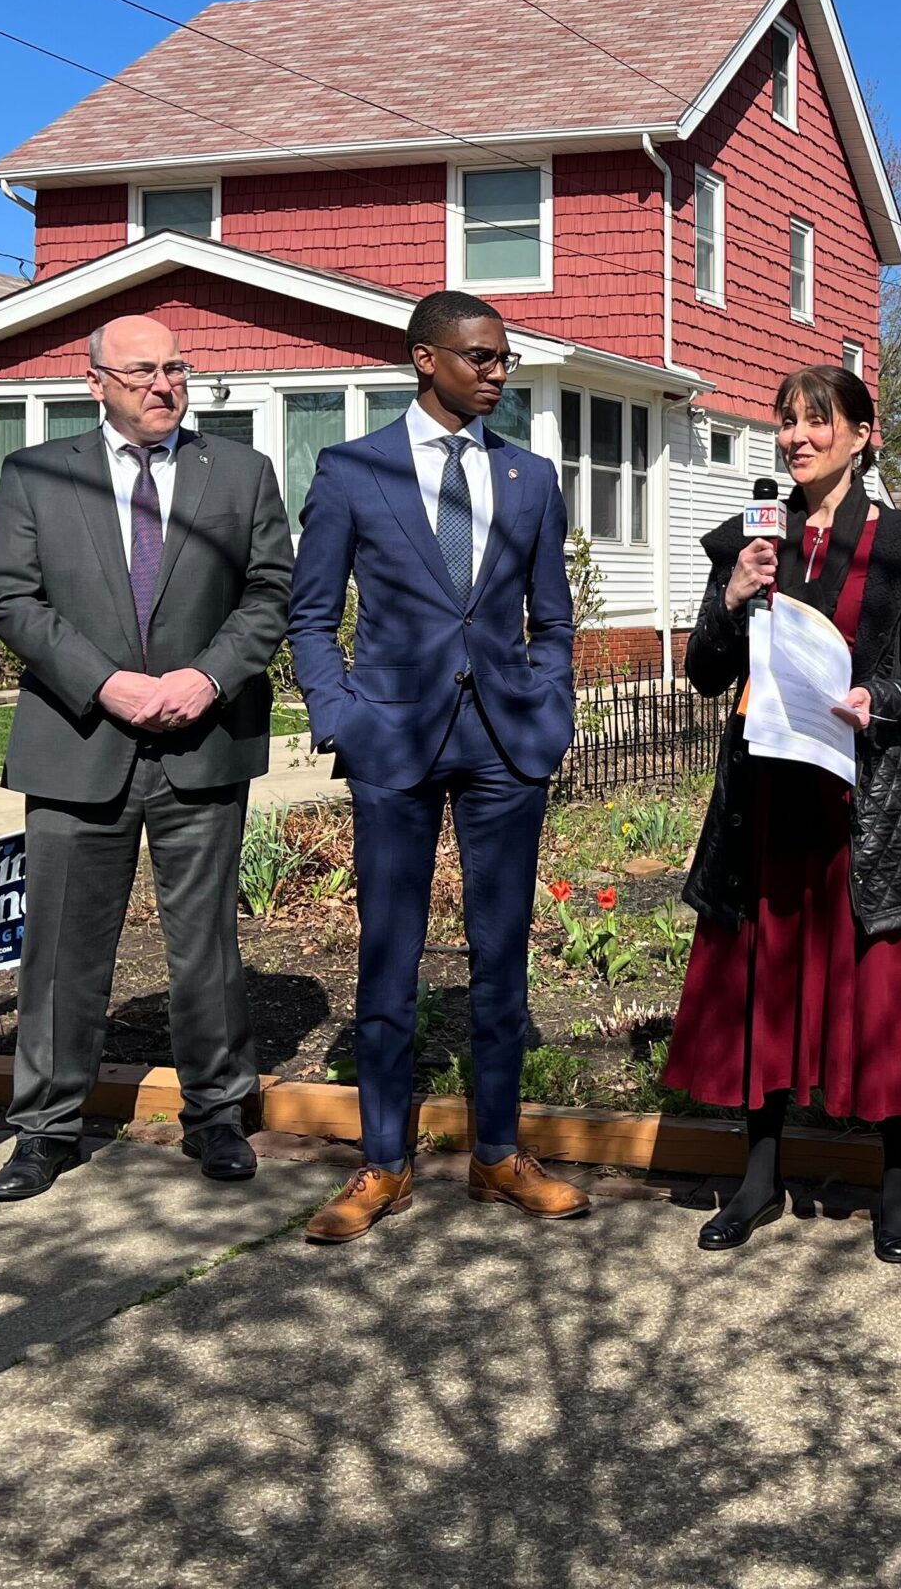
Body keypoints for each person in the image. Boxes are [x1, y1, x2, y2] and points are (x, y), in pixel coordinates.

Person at [288, 289, 589, 1240]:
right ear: (426, 359)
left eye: (503, 358)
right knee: (390, 952)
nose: (497, 371)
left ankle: (498, 1154)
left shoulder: (531, 478)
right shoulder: (351, 471)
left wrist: (552, 703)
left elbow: (556, 616)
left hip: (505, 743)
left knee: (502, 955)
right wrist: (340, 714)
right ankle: (383, 1163)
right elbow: (310, 614)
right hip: (394, 740)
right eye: (479, 357)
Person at [0, 315, 294, 1201]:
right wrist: (106, 683)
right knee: (62, 951)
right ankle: (44, 1129)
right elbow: (11, 598)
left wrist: (209, 676)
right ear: (95, 383)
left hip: (203, 740)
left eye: (176, 369)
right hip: (80, 741)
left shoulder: (240, 472)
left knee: (209, 946)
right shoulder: (36, 474)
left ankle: (219, 1115)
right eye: (142, 372)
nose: (164, 385)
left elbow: (272, 590)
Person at [662, 365, 901, 1264]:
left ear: (863, 434)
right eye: (786, 422)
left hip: (862, 798)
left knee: (873, 986)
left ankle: (895, 1179)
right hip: (765, 799)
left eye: (816, 422)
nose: (796, 437)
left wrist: (885, 696)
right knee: (765, 976)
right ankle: (759, 1174)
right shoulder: (750, 541)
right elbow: (707, 673)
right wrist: (730, 598)